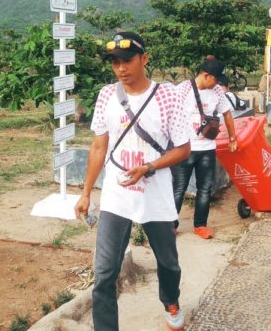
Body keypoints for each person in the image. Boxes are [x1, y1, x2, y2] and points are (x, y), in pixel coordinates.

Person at [74, 31, 193, 331]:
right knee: (103, 274)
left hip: (155, 192)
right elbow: (99, 147)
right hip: (117, 193)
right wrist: (86, 192)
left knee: (168, 263)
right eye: (115, 63)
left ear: (144, 58)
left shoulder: (167, 96)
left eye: (127, 61)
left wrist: (150, 166)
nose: (121, 69)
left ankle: (171, 301)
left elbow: (183, 148)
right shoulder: (106, 96)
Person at [172, 58, 238, 239]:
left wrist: (233, 137)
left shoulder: (217, 91)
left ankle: (200, 225)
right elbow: (169, 116)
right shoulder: (182, 90)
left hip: (207, 149)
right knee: (178, 189)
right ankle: (171, 225)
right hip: (184, 149)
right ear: (206, 75)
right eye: (215, 79)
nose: (218, 83)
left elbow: (227, 114)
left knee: (205, 189)